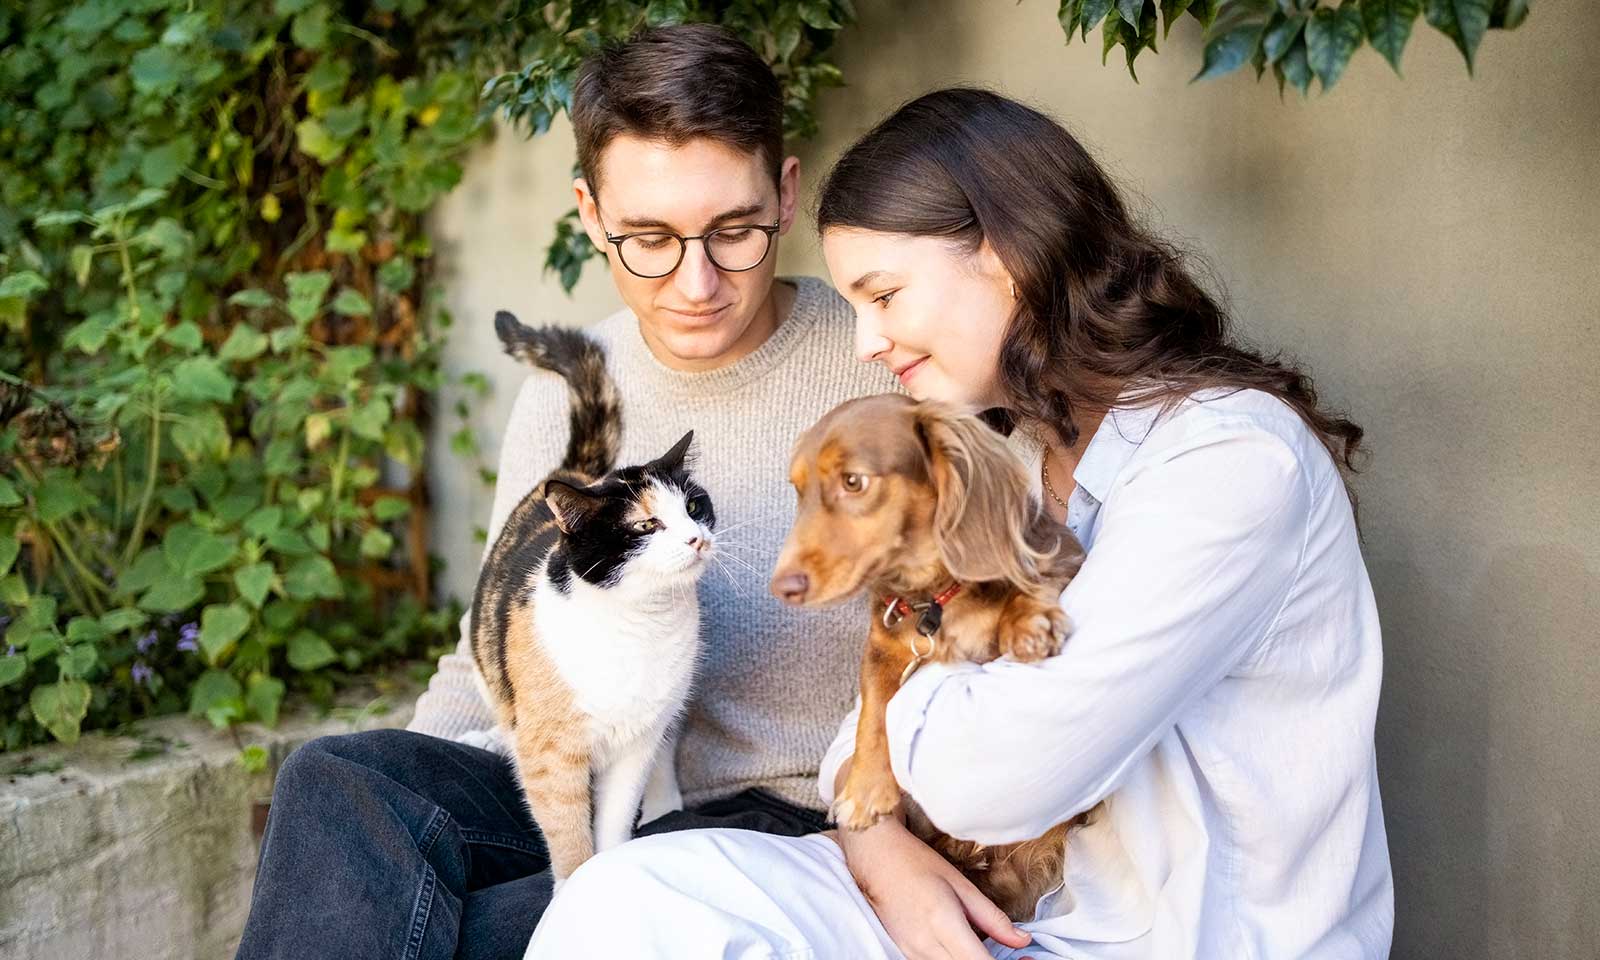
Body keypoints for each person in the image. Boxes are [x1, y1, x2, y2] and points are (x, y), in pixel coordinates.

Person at [526, 88, 1395, 960]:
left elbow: (999, 778)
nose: (866, 340)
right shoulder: (1008, 454)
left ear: (1009, 258)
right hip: (961, 894)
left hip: (1153, 939)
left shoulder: (1229, 463)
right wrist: (878, 851)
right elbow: (852, 762)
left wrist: (899, 686)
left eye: (884, 295)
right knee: (624, 902)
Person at [233, 25, 896, 960]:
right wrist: (414, 808)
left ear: (786, 194)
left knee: (477, 935)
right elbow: (491, 651)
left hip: (777, 825)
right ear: (589, 213)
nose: (696, 282)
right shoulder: (569, 393)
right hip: (577, 787)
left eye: (734, 231)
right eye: (650, 238)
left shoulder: (886, 362)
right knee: (338, 778)